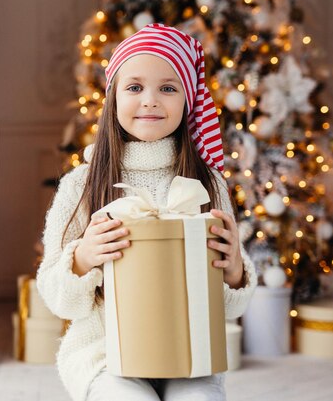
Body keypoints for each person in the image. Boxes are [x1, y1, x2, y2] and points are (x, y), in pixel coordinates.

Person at [36, 23, 257, 401]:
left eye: (168, 88)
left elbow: (227, 309)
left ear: (187, 100)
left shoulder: (209, 183)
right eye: (135, 87)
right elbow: (57, 296)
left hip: (187, 348)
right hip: (104, 352)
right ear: (114, 97)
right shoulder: (81, 184)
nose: (151, 100)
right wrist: (82, 258)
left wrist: (235, 269)